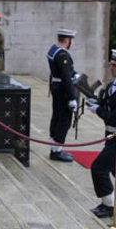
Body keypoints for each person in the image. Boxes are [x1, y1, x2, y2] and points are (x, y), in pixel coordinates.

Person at [88, 50, 116, 218]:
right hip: (110, 135)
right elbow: (107, 102)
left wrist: (98, 110)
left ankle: (109, 205)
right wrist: (96, 102)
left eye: (115, 65)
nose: (111, 68)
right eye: (112, 64)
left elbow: (114, 117)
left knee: (98, 168)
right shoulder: (112, 85)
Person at [47, 28, 78, 162]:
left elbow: (65, 71)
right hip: (62, 89)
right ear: (67, 40)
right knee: (64, 119)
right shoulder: (63, 55)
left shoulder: (53, 50)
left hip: (55, 86)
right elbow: (65, 77)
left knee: (57, 115)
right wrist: (72, 98)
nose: (72, 43)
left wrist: (74, 73)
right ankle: (57, 150)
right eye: (71, 40)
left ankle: (54, 147)